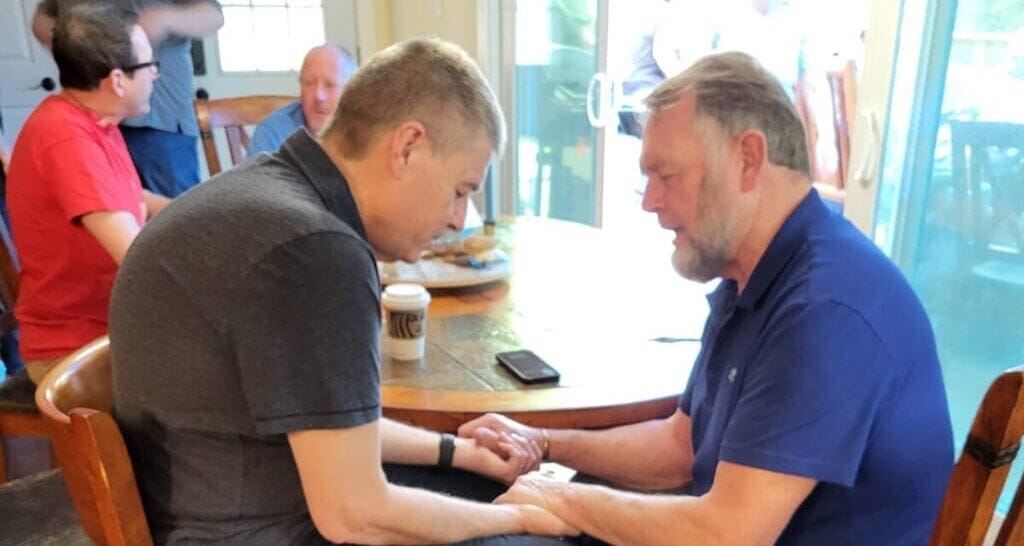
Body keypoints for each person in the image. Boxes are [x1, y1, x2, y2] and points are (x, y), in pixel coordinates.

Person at [459, 51, 954, 546]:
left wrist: (559, 497)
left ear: (748, 160)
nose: (650, 201)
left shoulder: (825, 310)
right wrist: (544, 444)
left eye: (667, 176)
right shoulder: (755, 276)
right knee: (487, 511)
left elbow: (727, 533)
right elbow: (682, 445)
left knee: (495, 532)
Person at [110, 38, 576, 545]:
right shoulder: (317, 249)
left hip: (215, 500)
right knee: (555, 533)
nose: (457, 219)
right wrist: (525, 518)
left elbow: (330, 427)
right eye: (461, 190)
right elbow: (353, 513)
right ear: (407, 146)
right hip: (255, 529)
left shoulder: (266, 192)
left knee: (483, 490)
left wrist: (456, 451)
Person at [7, 3, 169, 384]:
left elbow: (132, 197)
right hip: (75, 352)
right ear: (117, 80)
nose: (156, 75)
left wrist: (204, 211)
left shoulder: (95, 120)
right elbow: (136, 258)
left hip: (108, 331)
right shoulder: (66, 139)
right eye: (149, 66)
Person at [34, 0, 224, 198]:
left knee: (172, 217)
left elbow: (214, 16)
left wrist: (167, 18)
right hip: (91, 121)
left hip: (160, 126)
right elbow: (44, 18)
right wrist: (69, 39)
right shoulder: (61, 129)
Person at [247, 44, 358, 155]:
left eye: (330, 85)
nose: (319, 96)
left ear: (352, 91)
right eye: (309, 83)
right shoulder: (273, 132)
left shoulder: (368, 129)